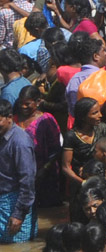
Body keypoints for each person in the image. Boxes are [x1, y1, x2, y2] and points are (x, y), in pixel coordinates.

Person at [0, 98, 35, 243]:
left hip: (15, 203)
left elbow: (28, 181)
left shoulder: (20, 142)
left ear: (9, 117)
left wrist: (19, 214)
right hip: (3, 200)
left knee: (18, 245)